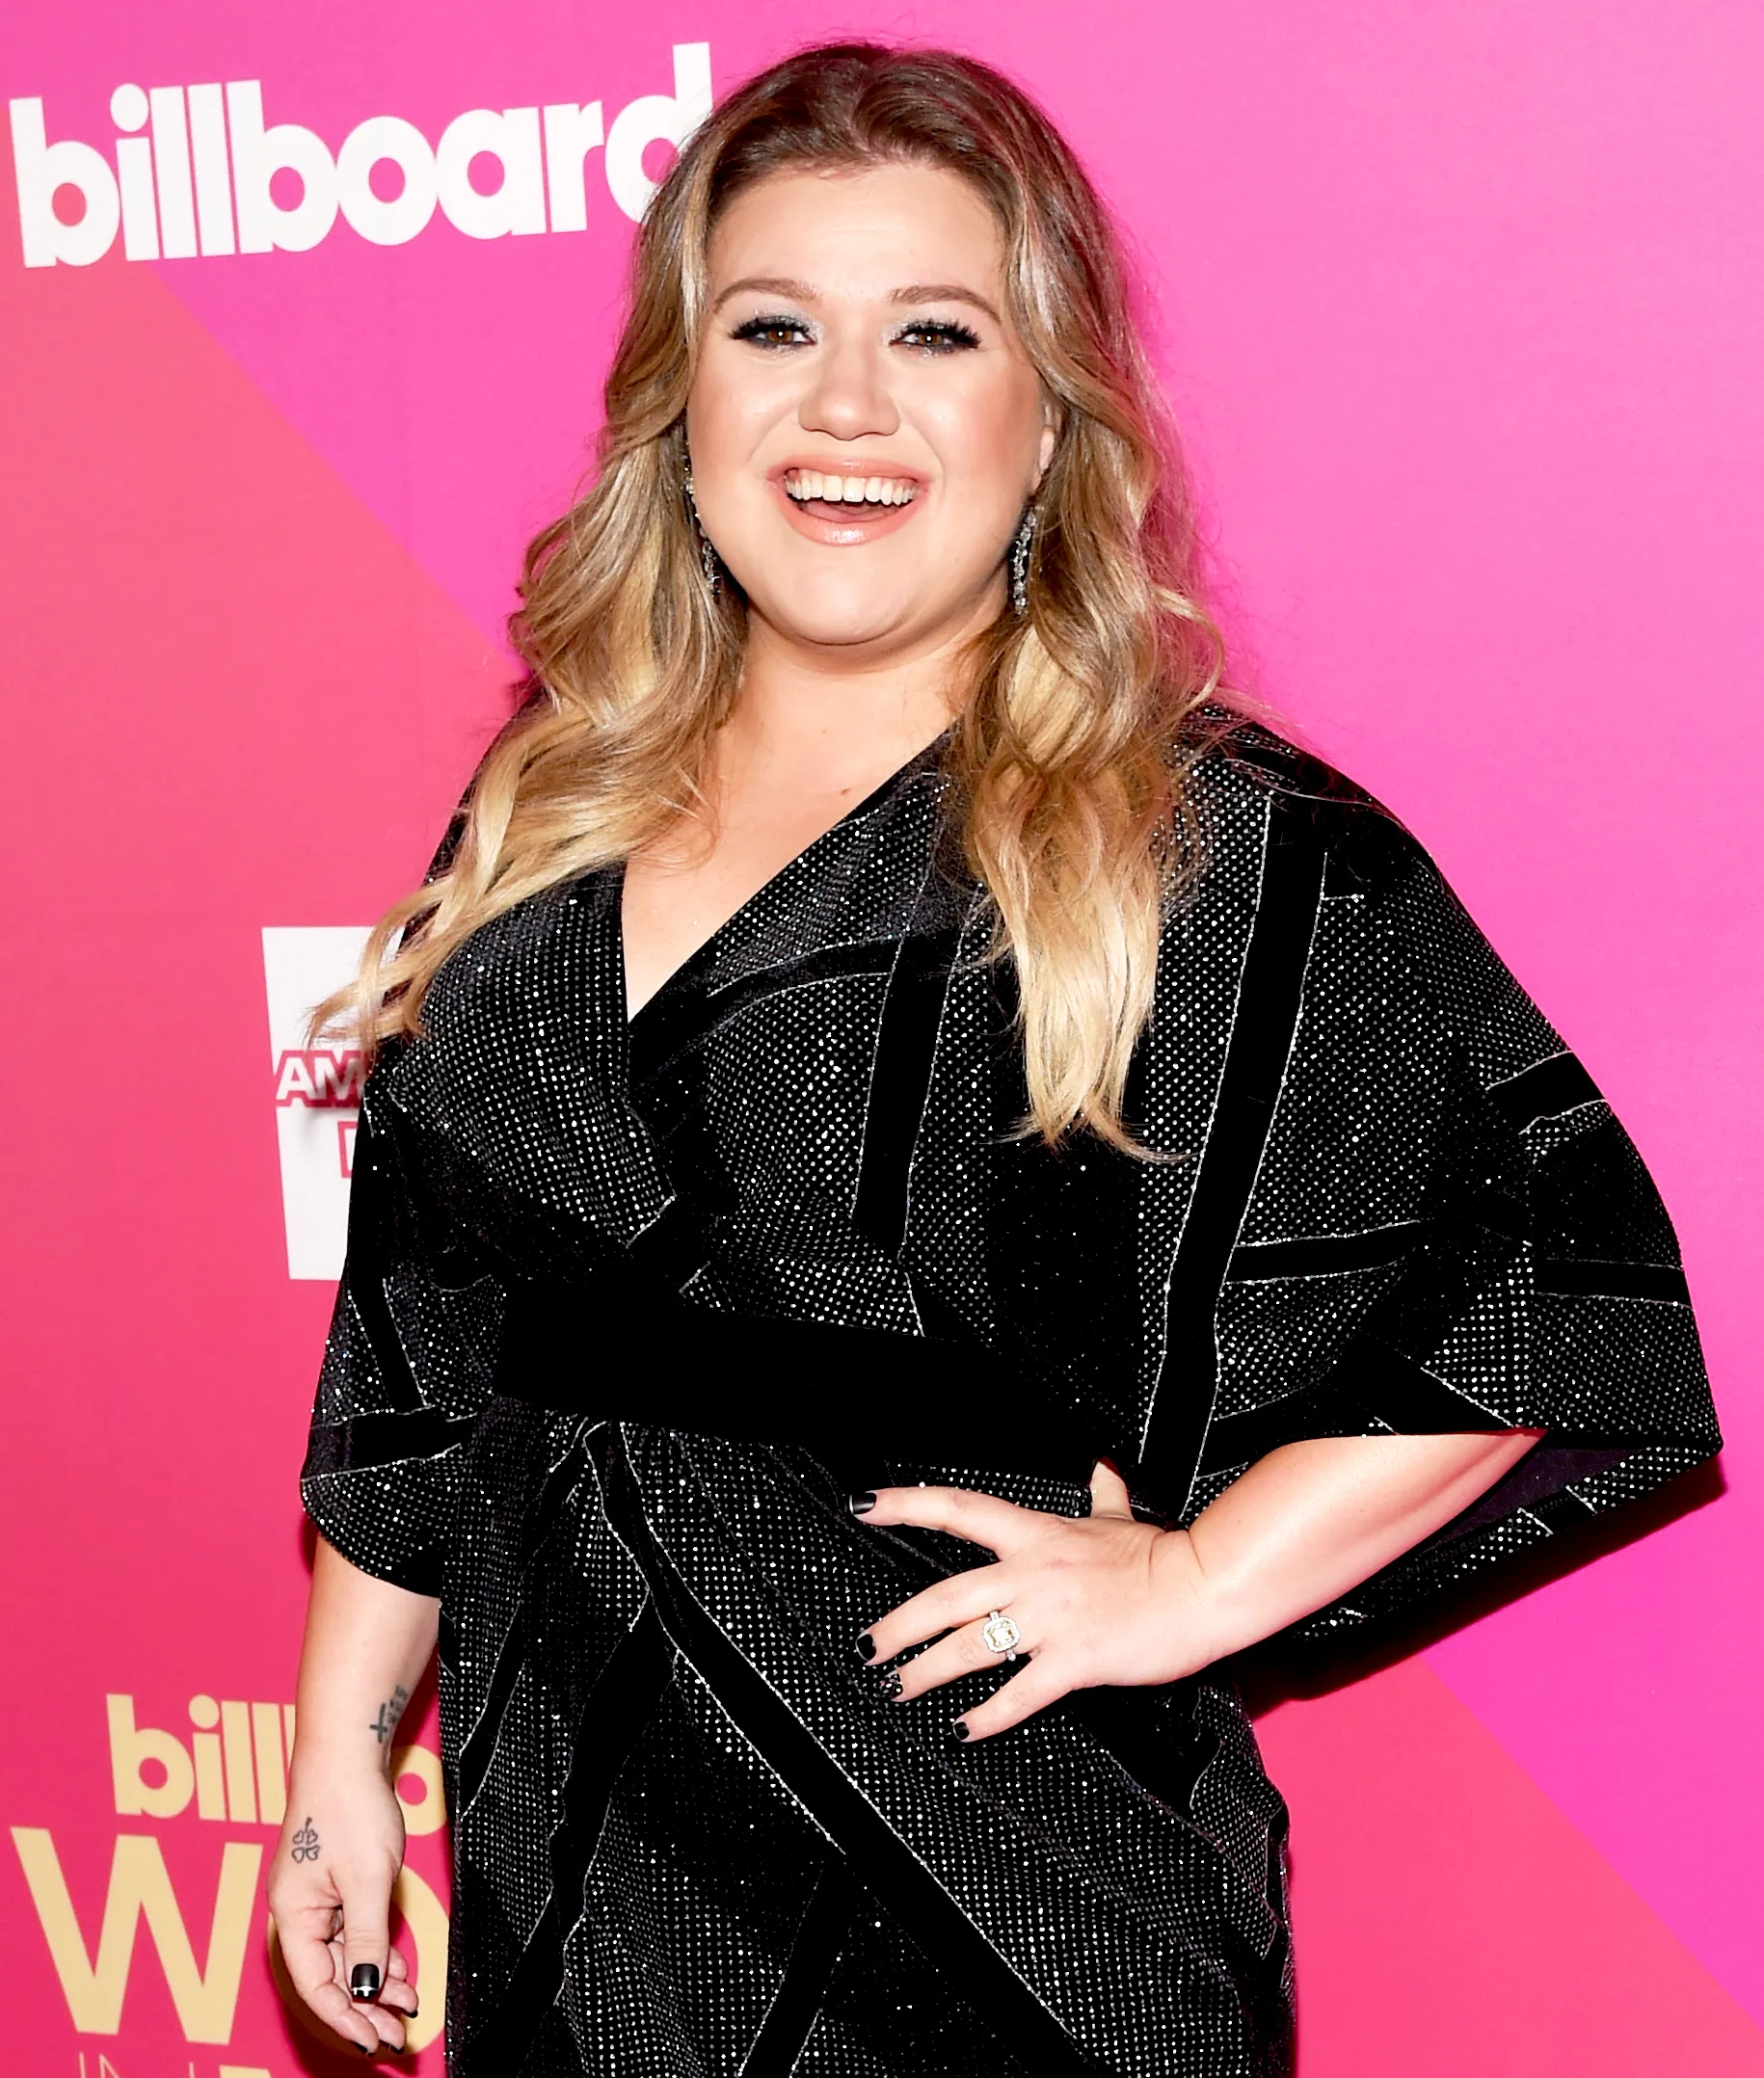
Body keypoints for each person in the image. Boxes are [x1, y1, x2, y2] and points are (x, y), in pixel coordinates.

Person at [266, 41, 1721, 2078]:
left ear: (1048, 424)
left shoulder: (1195, 841)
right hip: (576, 1871)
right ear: (681, 401)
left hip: (1006, 1897)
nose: (844, 406)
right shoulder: (550, 809)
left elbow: (1556, 1281)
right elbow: (425, 1332)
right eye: (774, 327)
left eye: (934, 333)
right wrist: (340, 1745)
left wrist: (1194, 1580)